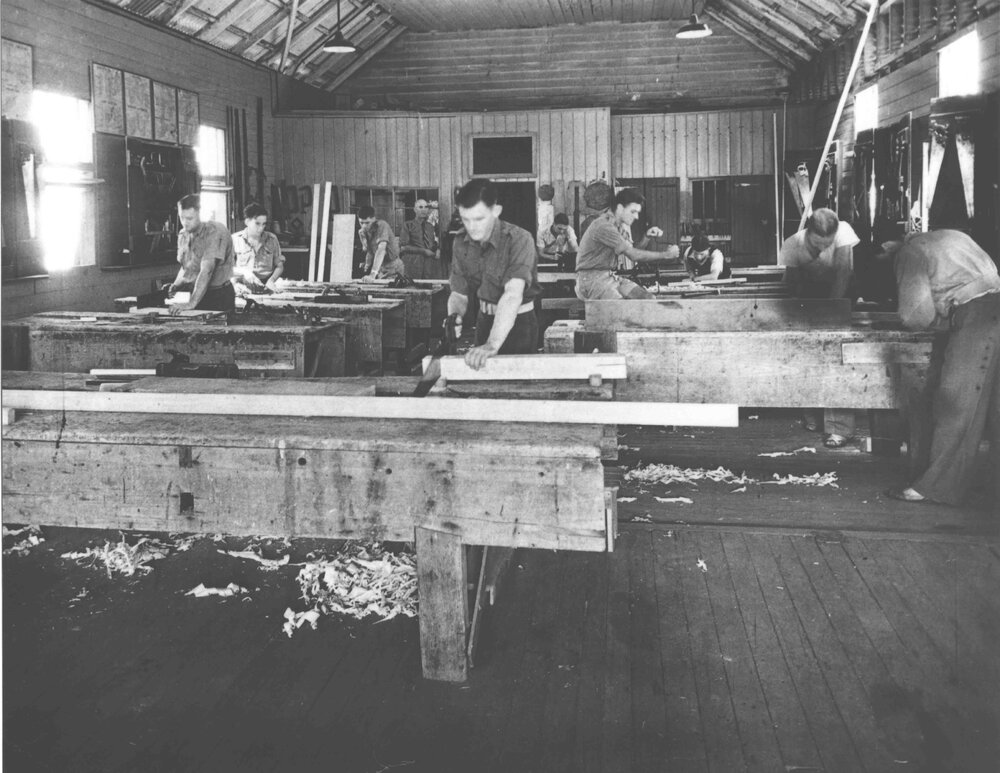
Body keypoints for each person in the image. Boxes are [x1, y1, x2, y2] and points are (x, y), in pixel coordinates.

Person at [882, 230, 1000, 506]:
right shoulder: (951, 236)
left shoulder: (909, 254)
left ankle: (935, 487)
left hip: (979, 316)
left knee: (955, 400)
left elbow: (916, 315)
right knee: (995, 407)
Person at [780, 207, 861, 447]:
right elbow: (792, 285)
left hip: (839, 298)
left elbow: (844, 271)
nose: (825, 248)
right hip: (809, 301)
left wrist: (833, 312)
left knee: (837, 360)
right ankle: (812, 416)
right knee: (808, 357)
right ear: (808, 232)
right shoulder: (793, 244)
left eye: (829, 243)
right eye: (818, 244)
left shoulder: (843, 230)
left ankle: (839, 428)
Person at [448, 178, 541, 370]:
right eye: (466, 219)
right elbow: (459, 293)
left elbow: (512, 295)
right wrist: (454, 317)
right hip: (484, 322)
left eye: (479, 219)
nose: (472, 227)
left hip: (519, 325)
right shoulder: (460, 242)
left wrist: (492, 344)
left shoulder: (520, 239)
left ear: (496, 211)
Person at [574, 187, 680, 300]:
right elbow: (633, 255)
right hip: (591, 281)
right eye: (633, 212)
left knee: (647, 299)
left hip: (608, 277)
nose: (636, 217)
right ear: (620, 208)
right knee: (623, 309)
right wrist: (666, 255)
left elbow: (633, 251)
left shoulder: (619, 227)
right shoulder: (604, 226)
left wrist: (646, 236)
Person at [167, 193, 236, 314]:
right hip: (198, 294)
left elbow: (207, 271)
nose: (184, 223)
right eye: (181, 217)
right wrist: (176, 285)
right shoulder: (183, 235)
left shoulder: (215, 232)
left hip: (219, 296)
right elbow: (186, 268)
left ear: (201, 214)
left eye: (189, 218)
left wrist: (192, 303)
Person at [231, 203, 284, 294]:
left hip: (266, 284)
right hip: (242, 285)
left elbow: (280, 266)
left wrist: (271, 281)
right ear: (247, 221)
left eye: (264, 224)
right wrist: (244, 272)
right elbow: (227, 268)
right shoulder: (235, 239)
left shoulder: (272, 239)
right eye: (257, 223)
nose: (261, 228)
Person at [357, 205, 406, 280]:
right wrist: (366, 265)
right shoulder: (363, 232)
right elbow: (370, 252)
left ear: (373, 219)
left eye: (367, 223)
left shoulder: (382, 225)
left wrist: (373, 274)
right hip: (380, 268)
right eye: (361, 223)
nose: (364, 226)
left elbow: (381, 250)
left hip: (393, 267)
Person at [399, 198, 439, 277]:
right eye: (420, 207)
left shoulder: (430, 226)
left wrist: (437, 249)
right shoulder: (408, 225)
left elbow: (432, 244)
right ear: (415, 210)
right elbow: (403, 247)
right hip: (412, 263)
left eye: (426, 207)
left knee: (428, 287)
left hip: (428, 266)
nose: (423, 210)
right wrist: (423, 251)